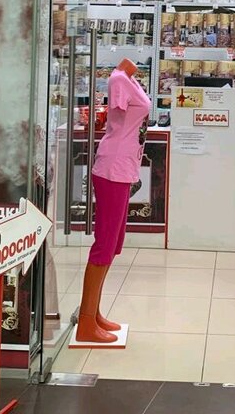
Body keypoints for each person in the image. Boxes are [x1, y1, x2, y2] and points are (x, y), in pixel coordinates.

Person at [75, 58, 150, 343]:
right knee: (105, 244)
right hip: (113, 168)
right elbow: (117, 119)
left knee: (114, 242)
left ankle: (93, 312)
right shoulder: (118, 79)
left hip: (124, 167)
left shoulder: (130, 79)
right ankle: (85, 322)